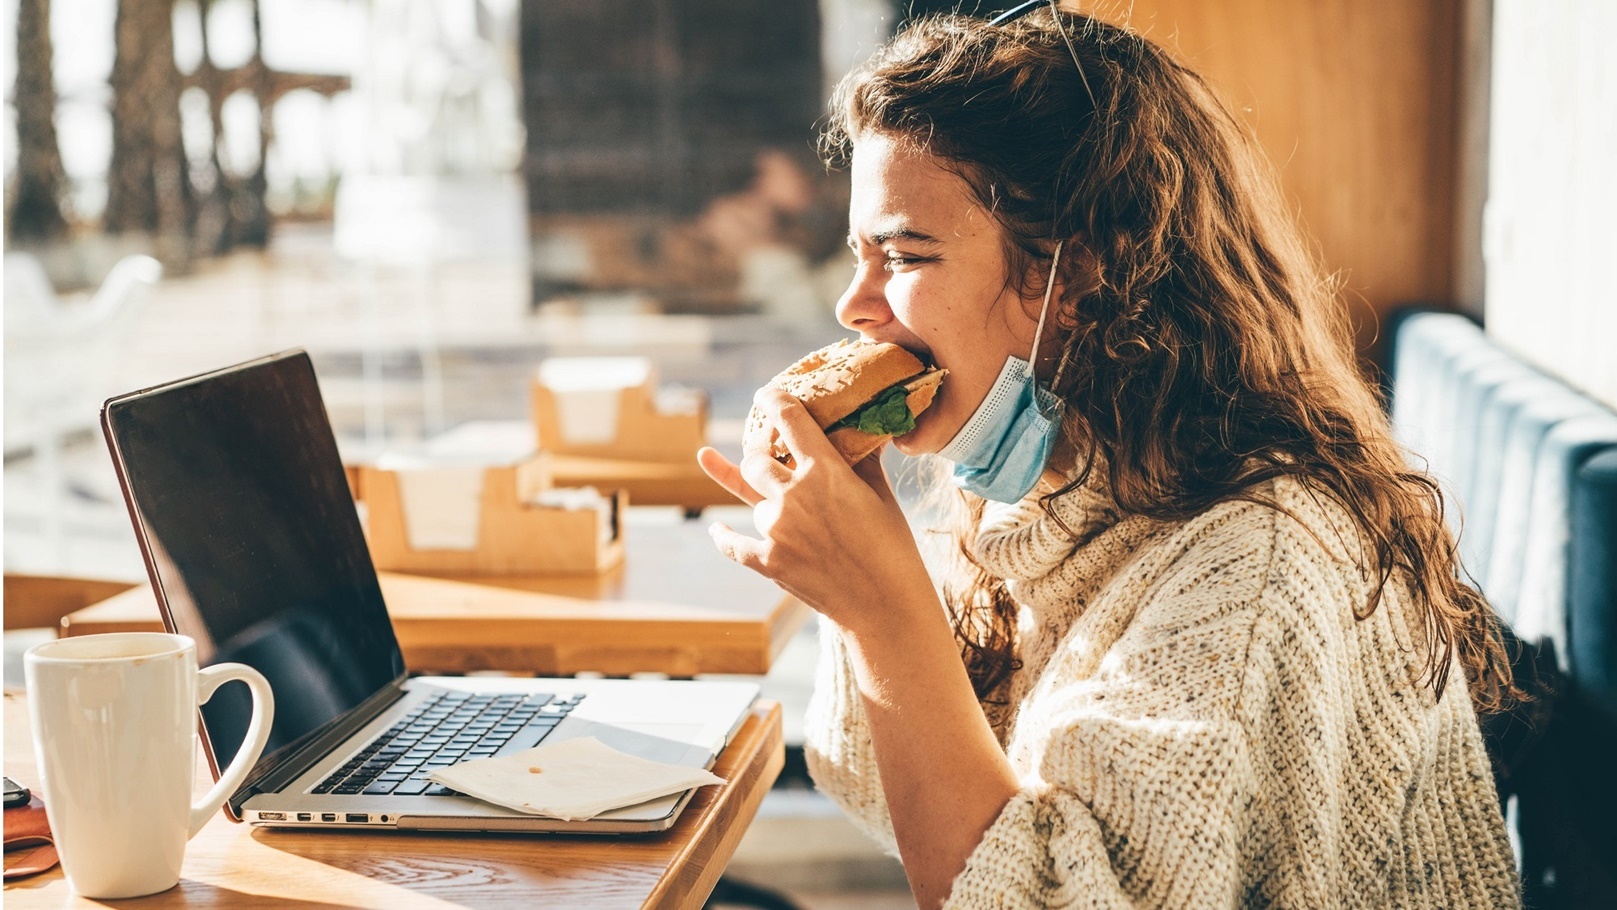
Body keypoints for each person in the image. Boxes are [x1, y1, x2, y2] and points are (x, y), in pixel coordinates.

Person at [696, 4, 1521, 907]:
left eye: (903, 254)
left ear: (1077, 278)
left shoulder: (1257, 558)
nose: (855, 306)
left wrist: (882, 606)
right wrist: (862, 546)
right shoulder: (1054, 482)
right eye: (857, 255)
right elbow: (878, 785)